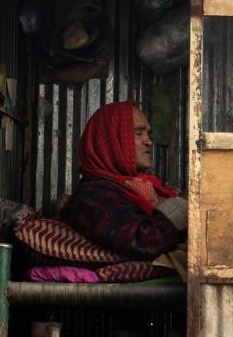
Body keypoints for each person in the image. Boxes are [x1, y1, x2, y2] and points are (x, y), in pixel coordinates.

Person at [60, 101, 187, 263]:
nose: (148, 141)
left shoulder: (146, 186)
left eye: (148, 134)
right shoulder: (93, 196)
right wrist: (183, 204)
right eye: (139, 133)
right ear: (110, 139)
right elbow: (145, 242)